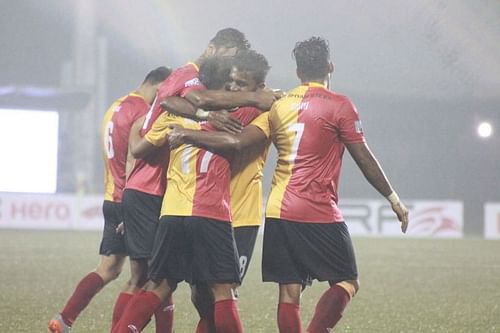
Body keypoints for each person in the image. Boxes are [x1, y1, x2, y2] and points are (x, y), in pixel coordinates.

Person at [167, 36, 410, 333]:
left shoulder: (279, 106)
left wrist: (189, 133)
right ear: (330, 67)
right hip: (318, 208)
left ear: (297, 72)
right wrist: (394, 199)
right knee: (347, 282)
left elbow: (238, 141)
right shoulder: (341, 105)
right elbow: (364, 157)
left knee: (289, 294)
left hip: (278, 209)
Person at [113, 55, 250, 333]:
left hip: (172, 212)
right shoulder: (235, 116)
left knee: (158, 284)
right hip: (211, 211)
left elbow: (139, 148)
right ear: (221, 87)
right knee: (222, 291)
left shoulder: (172, 115)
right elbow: (240, 139)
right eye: (232, 83)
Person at [47, 66, 171, 333]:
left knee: (110, 268)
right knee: (153, 275)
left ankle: (65, 318)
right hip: (135, 199)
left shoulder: (115, 106)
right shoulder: (143, 114)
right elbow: (135, 158)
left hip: (112, 195)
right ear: (160, 86)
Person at [162, 50, 273, 333]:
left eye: (241, 84)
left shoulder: (263, 114)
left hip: (240, 216)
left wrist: (187, 133)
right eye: (231, 81)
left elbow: (236, 142)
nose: (233, 88)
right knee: (199, 293)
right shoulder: (217, 111)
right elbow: (175, 100)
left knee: (224, 291)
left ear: (258, 89)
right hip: (205, 210)